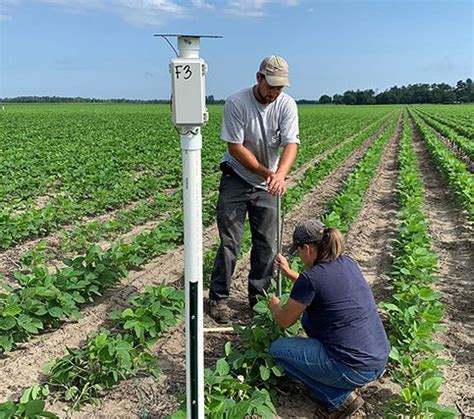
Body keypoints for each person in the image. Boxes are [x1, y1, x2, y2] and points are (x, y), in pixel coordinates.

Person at [208, 55, 300, 324]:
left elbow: (291, 144)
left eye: (279, 88)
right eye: (270, 86)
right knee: (230, 243)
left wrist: (280, 175)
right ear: (258, 78)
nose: (274, 92)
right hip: (236, 177)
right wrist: (268, 173)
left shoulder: (286, 105)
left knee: (267, 244)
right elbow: (235, 148)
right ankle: (219, 298)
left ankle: (258, 300)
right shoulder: (237, 102)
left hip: (268, 182)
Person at [268, 219, 390, 418]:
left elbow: (284, 321)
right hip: (377, 359)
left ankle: (338, 397)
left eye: (298, 250)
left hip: (352, 366)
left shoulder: (311, 279)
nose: (299, 254)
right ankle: (343, 383)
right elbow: (323, 286)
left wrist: (274, 306)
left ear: (307, 248)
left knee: (277, 350)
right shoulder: (347, 262)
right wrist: (290, 273)